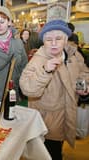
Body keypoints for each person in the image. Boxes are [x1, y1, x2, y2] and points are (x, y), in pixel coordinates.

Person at [19, 19, 89, 160]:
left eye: (58, 38)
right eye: (49, 39)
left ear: (65, 39)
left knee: (58, 149)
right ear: (43, 41)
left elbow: (83, 72)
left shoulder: (74, 55)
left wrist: (82, 87)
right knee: (48, 154)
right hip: (47, 120)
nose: (54, 43)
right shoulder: (39, 59)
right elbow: (26, 87)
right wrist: (45, 71)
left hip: (68, 114)